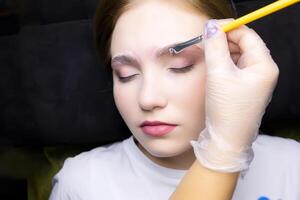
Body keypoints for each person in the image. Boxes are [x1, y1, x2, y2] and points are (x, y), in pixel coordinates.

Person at [49, 0, 300, 199]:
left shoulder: (293, 165)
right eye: (125, 75)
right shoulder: (83, 183)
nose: (148, 99)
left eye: (180, 66)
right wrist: (224, 148)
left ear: (233, 59)